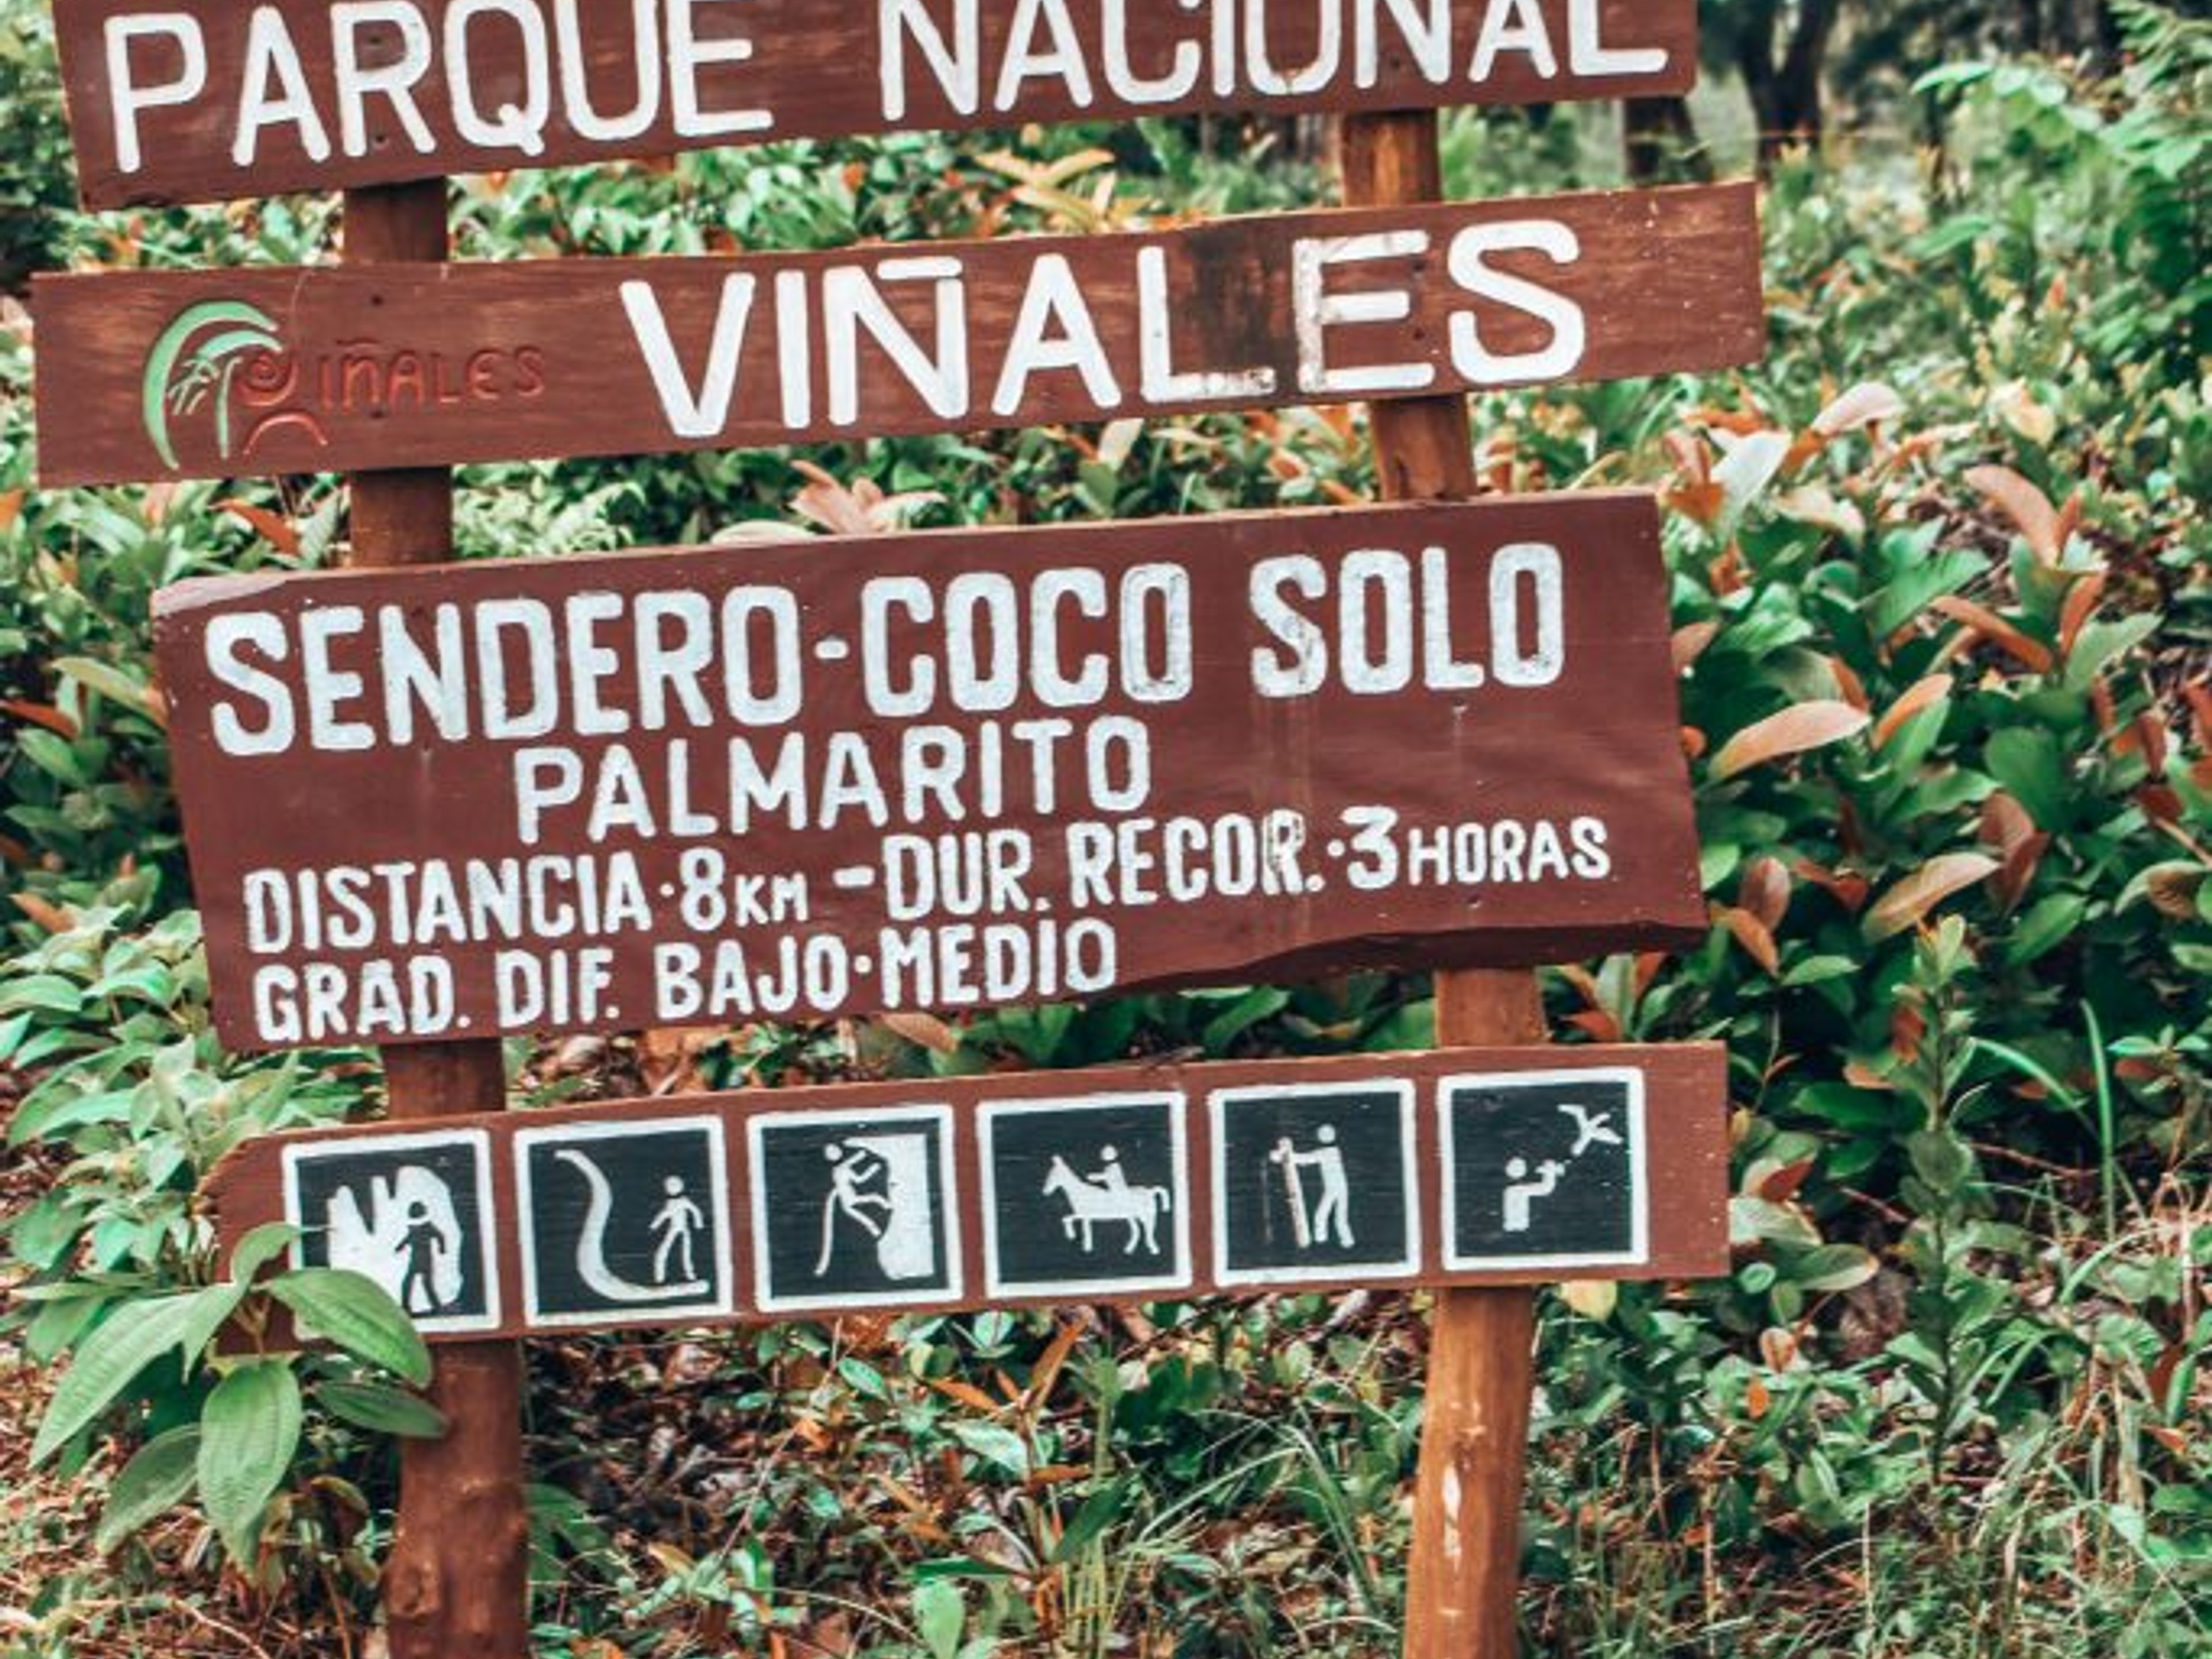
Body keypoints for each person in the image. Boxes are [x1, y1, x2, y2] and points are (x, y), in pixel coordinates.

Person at [817, 1142, 890, 1275]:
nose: (834, 1151)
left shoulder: (842, 1169)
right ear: (828, 1158)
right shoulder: (839, 1169)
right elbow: (856, 1174)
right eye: (830, 1152)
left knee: (860, 1206)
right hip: (847, 1197)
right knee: (860, 1206)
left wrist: (870, 1165)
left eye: (835, 1148)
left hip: (849, 1195)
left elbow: (858, 1179)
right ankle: (875, 1221)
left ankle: (875, 1222)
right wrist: (867, 1163)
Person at [650, 1175, 705, 1285]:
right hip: (675, 1229)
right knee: (666, 1251)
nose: (669, 1188)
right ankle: (660, 1278)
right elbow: (665, 1215)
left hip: (683, 1230)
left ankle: (690, 1276)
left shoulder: (683, 1201)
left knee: (685, 1253)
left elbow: (695, 1211)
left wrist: (699, 1223)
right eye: (668, 1185)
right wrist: (654, 1225)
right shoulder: (672, 1203)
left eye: (672, 1185)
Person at [398, 1199, 446, 1315]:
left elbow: (440, 1236)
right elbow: (408, 1238)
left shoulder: (427, 1226)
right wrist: (400, 1246)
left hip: (423, 1258)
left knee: (423, 1284)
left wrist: (442, 1248)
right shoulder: (416, 1228)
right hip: (418, 1258)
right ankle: (408, 1307)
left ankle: (437, 1308)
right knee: (416, 1283)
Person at [1501, 1156, 1567, 1234]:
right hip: (1518, 1227)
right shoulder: (1516, 1190)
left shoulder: (1512, 1190)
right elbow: (1546, 1188)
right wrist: (1550, 1169)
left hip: (1515, 1227)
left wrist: (1549, 1170)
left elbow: (1545, 1188)